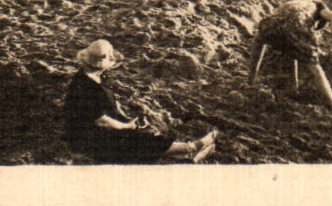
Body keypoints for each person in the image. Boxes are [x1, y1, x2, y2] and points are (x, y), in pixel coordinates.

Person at [63, 40, 217, 162]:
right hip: (86, 138)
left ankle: (176, 152)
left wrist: (127, 120)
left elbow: (106, 109)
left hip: (96, 127)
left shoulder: (89, 76)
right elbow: (101, 121)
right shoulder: (85, 87)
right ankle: (189, 149)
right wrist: (126, 126)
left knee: (139, 131)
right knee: (137, 139)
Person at [248, 0, 332, 113]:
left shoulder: (294, 3)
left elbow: (293, 49)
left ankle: (250, 82)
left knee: (260, 40)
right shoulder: (318, 4)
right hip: (296, 23)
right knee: (315, 67)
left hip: (272, 22)